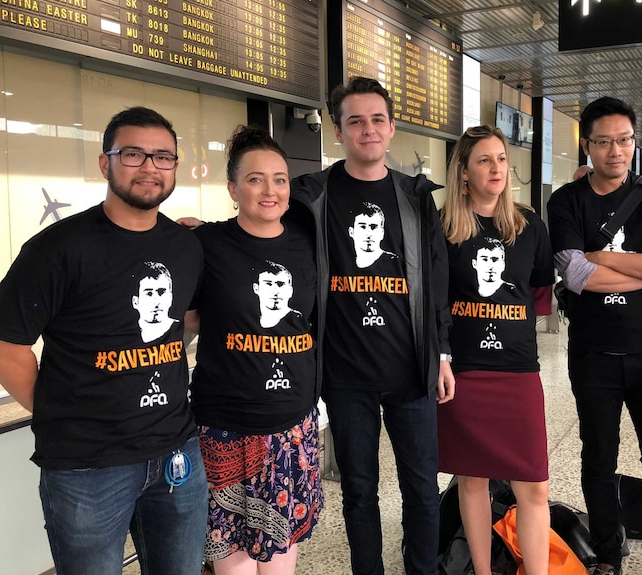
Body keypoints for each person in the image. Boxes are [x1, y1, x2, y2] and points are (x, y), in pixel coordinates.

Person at [0, 106, 207, 575]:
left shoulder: (185, 247)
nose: (149, 166)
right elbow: (2, 347)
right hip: (87, 466)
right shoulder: (56, 249)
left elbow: (186, 320)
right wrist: (59, 410)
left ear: (175, 168)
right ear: (105, 164)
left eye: (163, 156)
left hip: (176, 453)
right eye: (133, 154)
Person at [290, 76, 453, 575]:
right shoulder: (312, 196)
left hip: (411, 370)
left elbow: (438, 278)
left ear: (391, 127)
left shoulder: (413, 196)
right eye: (355, 121)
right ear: (338, 131)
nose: (368, 130)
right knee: (359, 491)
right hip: (345, 376)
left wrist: (443, 354)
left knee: (422, 487)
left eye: (376, 120)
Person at [546, 96, 642, 575]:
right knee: (598, 460)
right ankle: (608, 557)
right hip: (594, 355)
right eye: (605, 142)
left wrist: (606, 259)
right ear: (586, 145)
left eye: (625, 140)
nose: (617, 151)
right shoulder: (567, 200)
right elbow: (573, 275)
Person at [185, 125, 323, 575]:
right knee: (233, 559)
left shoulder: (310, 245)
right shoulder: (206, 246)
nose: (270, 190)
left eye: (280, 179)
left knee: (282, 552)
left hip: (293, 430)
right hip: (226, 429)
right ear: (232, 188)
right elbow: (182, 321)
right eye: (255, 179)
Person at [437, 125, 554, 575]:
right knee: (471, 482)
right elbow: (436, 303)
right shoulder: (444, 228)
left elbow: (539, 292)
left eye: (502, 159)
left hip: (517, 369)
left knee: (535, 487)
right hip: (464, 372)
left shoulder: (528, 226)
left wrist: (509, 323)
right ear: (463, 171)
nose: (496, 168)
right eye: (484, 160)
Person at [133, 260, 179, 342]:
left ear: (171, 297)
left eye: (161, 292)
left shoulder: (178, 328)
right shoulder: (123, 334)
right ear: (135, 302)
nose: (156, 300)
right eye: (149, 293)